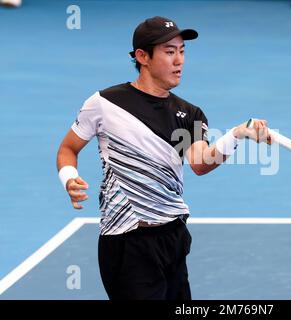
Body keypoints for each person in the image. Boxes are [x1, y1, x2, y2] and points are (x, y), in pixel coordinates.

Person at [56, 16, 270, 300]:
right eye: (169, 52)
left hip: (173, 237)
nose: (179, 60)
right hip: (127, 241)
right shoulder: (104, 104)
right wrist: (69, 178)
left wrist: (237, 134)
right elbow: (67, 149)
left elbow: (201, 163)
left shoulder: (190, 114)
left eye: (182, 51)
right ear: (142, 57)